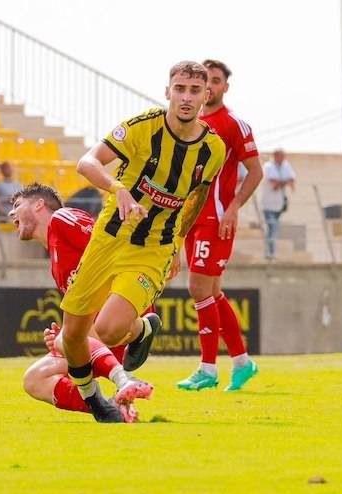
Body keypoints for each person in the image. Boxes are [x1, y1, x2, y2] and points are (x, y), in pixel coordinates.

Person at [58, 61, 225, 421]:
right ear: (167, 92)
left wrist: (179, 240)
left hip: (153, 249)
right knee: (73, 335)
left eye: (195, 91)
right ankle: (94, 400)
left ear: (206, 95)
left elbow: (195, 198)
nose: (186, 97)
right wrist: (117, 189)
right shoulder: (141, 128)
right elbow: (87, 162)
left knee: (106, 329)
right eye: (179, 89)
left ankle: (140, 328)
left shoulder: (213, 150)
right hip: (109, 239)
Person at [8, 183, 154, 423]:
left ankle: (127, 372)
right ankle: (111, 408)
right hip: (101, 332)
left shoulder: (63, 219)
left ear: (38, 204)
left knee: (67, 339)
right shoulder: (56, 262)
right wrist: (65, 335)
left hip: (120, 311)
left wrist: (68, 336)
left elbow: (108, 244)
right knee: (34, 379)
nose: (11, 213)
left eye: (17, 206)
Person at [176, 59, 263, 392]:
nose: (209, 86)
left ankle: (208, 369)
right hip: (191, 217)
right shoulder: (190, 122)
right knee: (211, 292)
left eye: (215, 80)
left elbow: (255, 172)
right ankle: (242, 362)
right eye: (204, 81)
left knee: (199, 288)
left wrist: (234, 208)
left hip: (215, 218)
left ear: (225, 86)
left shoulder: (232, 125)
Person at [260, 149, 295, 260]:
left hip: (279, 204)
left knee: (273, 228)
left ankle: (271, 252)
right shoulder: (269, 166)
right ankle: (270, 252)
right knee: (272, 226)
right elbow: (274, 185)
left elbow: (292, 180)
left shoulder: (285, 166)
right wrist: (285, 181)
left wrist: (283, 182)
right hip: (268, 204)